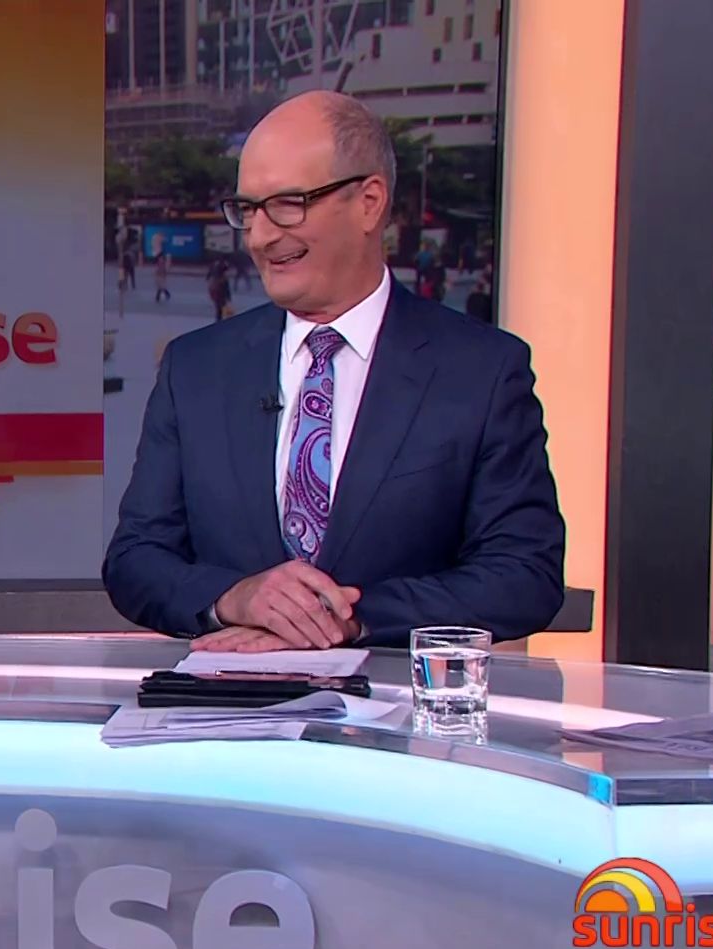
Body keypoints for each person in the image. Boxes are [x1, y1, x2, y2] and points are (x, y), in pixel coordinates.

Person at [102, 91, 563, 650]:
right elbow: (136, 559)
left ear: (369, 202)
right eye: (248, 209)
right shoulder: (195, 369)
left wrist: (347, 618)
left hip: (395, 699)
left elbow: (524, 575)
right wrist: (235, 598)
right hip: (230, 698)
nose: (260, 236)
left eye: (288, 203)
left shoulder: (481, 371)